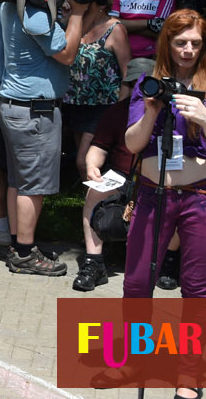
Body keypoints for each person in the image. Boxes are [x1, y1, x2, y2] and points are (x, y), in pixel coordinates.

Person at [123, 10, 206, 301]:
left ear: (204, 46)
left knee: (196, 287)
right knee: (137, 284)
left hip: (200, 197)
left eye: (195, 43)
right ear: (167, 43)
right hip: (153, 194)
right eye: (180, 42)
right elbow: (132, 144)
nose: (188, 50)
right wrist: (150, 113)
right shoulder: (150, 84)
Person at [0, 0, 88, 276]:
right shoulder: (34, 15)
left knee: (18, 181)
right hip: (34, 112)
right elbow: (67, 53)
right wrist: (77, 13)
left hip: (17, 107)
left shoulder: (12, 6)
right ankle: (25, 253)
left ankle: (17, 244)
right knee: (32, 186)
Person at [75, 58, 155, 291]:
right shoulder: (118, 111)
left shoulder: (167, 112)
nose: (138, 90)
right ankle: (94, 262)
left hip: (156, 178)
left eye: (144, 84)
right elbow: (98, 149)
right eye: (133, 85)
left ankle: (167, 264)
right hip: (122, 175)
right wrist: (92, 166)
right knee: (93, 194)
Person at [63, 0, 131, 182]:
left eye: (87, 1)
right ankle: (90, 203)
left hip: (103, 106)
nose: (80, 4)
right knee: (82, 161)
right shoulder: (76, 24)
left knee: (84, 161)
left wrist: (120, 110)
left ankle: (94, 207)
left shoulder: (115, 29)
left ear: (101, 5)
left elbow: (127, 73)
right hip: (75, 102)